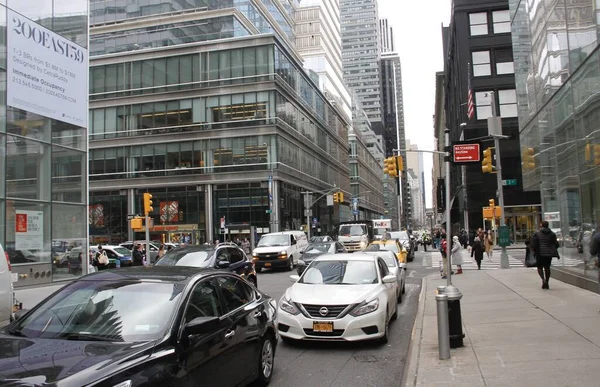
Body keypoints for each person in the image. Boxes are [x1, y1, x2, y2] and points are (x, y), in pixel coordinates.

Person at [529, 221, 560, 289]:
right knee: (547, 267)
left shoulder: (537, 233)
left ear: (541, 225)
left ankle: (543, 280)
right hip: (549, 254)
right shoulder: (552, 234)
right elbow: (556, 244)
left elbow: (533, 244)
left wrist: (534, 250)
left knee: (539, 267)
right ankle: (547, 281)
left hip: (540, 253)